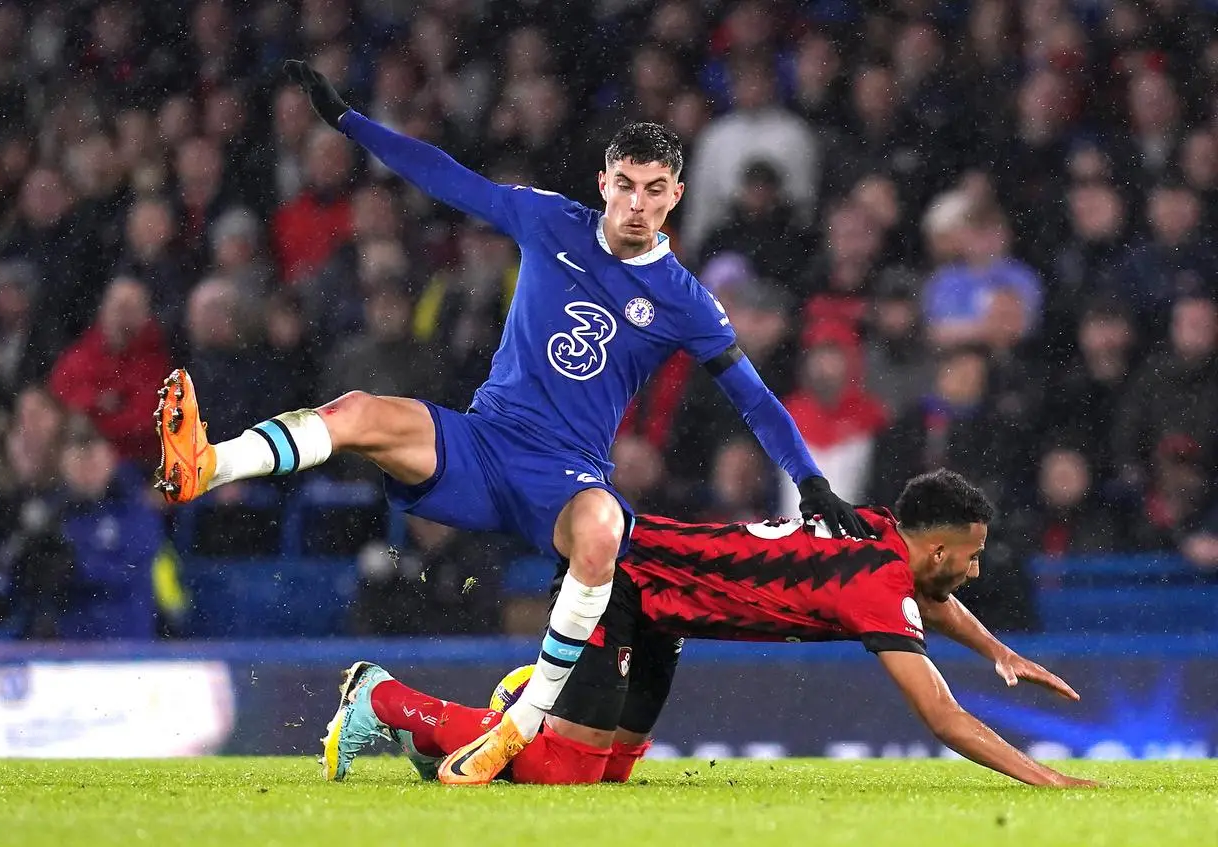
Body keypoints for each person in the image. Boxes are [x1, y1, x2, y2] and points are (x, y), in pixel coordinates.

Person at [149, 60, 868, 786]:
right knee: (359, 410)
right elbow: (444, 175)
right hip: (483, 440)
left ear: (676, 194)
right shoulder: (549, 218)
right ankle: (208, 464)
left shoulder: (685, 299)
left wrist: (809, 480)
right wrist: (347, 121)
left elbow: (754, 396)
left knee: (601, 529)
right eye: (626, 185)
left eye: (655, 190)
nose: (637, 204)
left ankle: (516, 726)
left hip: (561, 474)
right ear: (604, 182)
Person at [324, 470, 1097, 789]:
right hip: (627, 579)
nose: (974, 570)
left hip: (667, 607)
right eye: (969, 556)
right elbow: (942, 716)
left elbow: (931, 598)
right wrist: (1047, 778)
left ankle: (498, 722)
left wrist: (998, 650)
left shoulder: (875, 533)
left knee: (606, 774)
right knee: (563, 773)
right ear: (935, 547)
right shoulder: (877, 583)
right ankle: (384, 699)